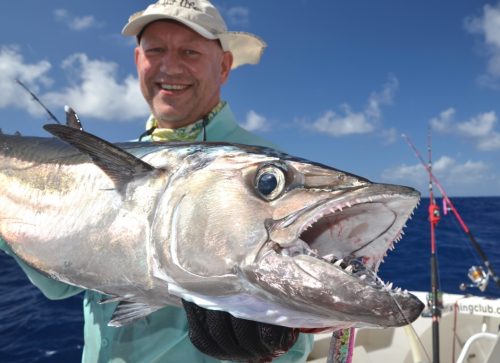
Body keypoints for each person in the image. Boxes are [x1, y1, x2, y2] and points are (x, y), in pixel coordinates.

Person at [0, 1, 314, 362]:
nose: (170, 66)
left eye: (190, 51)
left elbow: (305, 326)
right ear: (138, 61)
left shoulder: (269, 174)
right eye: (156, 50)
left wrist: (273, 344)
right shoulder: (113, 155)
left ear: (224, 66)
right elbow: (59, 286)